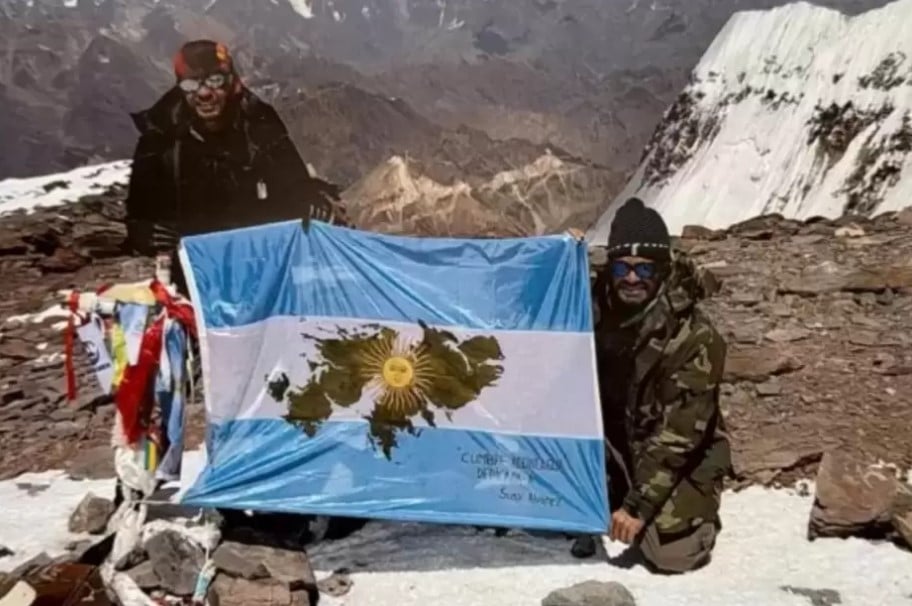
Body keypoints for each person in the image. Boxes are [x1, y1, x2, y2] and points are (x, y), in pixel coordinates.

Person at [569, 198, 732, 574]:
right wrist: (563, 255)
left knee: (671, 554)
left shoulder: (696, 339)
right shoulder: (594, 305)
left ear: (662, 270)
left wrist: (637, 508)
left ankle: (698, 514)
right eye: (622, 267)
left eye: (644, 269)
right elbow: (544, 299)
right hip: (611, 449)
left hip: (668, 450)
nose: (631, 278)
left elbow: (679, 436)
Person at [123, 39, 347, 289]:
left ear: (231, 81)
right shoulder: (161, 137)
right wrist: (148, 234)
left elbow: (294, 187)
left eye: (215, 80)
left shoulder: (259, 124)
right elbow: (137, 219)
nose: (204, 93)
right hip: (194, 280)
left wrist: (309, 203)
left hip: (262, 270)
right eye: (191, 83)